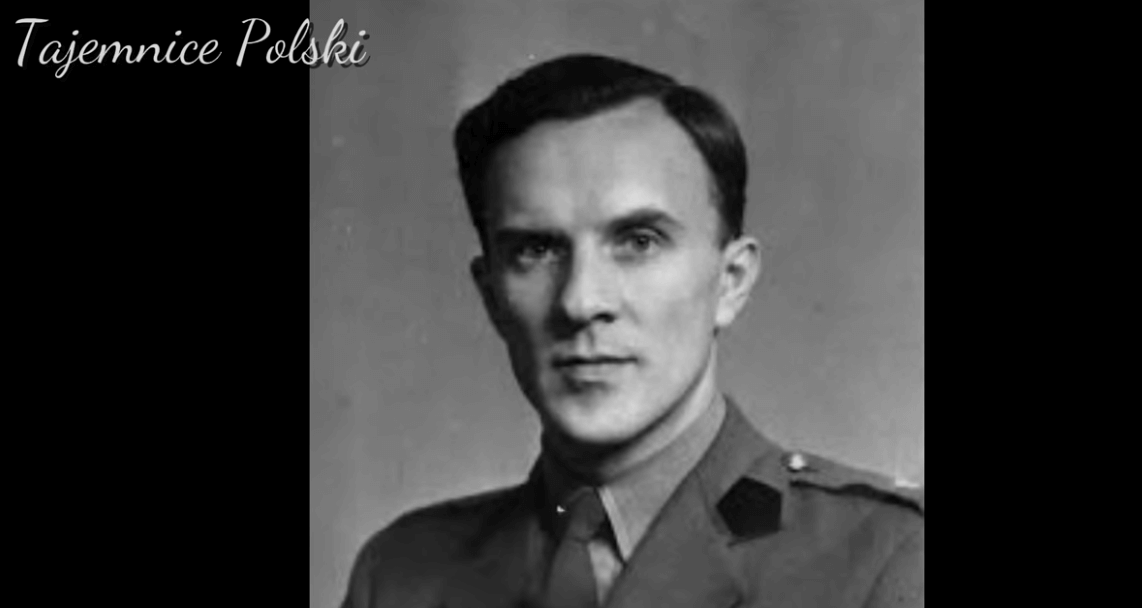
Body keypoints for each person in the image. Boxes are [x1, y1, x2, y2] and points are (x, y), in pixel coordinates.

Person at [339, 53, 923, 608]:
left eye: (639, 242)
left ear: (731, 282)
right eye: (536, 250)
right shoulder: (402, 576)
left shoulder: (890, 558)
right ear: (491, 295)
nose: (580, 301)